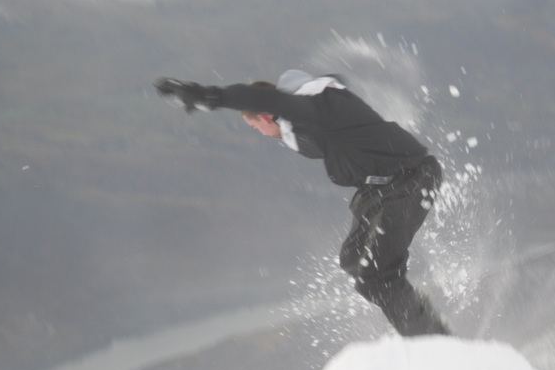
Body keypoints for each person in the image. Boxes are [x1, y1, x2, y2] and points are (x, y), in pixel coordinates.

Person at [154, 70, 450, 337]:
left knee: (375, 273)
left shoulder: (312, 109)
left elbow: (267, 97)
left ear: (266, 116)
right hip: (380, 189)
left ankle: (434, 341)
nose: (256, 132)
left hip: (410, 180)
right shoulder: (310, 116)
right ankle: (417, 314)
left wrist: (209, 97)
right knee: (355, 261)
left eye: (254, 124)